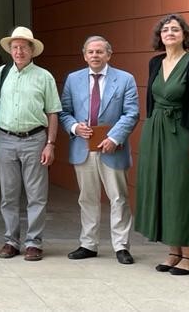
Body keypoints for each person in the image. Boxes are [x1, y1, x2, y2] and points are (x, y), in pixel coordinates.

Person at [135, 14, 189, 276]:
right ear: (160, 36)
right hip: (156, 131)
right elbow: (152, 100)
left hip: (182, 132)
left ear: (184, 35)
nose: (169, 33)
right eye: (165, 29)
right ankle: (173, 251)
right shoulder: (155, 62)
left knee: (182, 190)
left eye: (175, 29)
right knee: (162, 189)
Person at [59, 36, 139, 264]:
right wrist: (74, 127)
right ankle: (88, 244)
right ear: (84, 56)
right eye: (91, 52)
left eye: (99, 52)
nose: (95, 55)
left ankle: (121, 246)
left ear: (108, 55)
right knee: (88, 198)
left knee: (118, 198)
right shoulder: (73, 79)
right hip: (83, 146)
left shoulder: (125, 79)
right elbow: (64, 111)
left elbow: (131, 113)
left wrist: (115, 137)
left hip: (113, 147)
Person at [0, 26, 61, 261]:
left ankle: (34, 243)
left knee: (36, 195)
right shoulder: (1, 74)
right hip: (5, 139)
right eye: (15, 47)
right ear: (10, 50)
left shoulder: (44, 77)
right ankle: (11, 241)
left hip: (35, 139)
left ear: (32, 50)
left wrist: (50, 143)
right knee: (8, 195)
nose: (19, 51)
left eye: (24, 47)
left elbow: (53, 112)